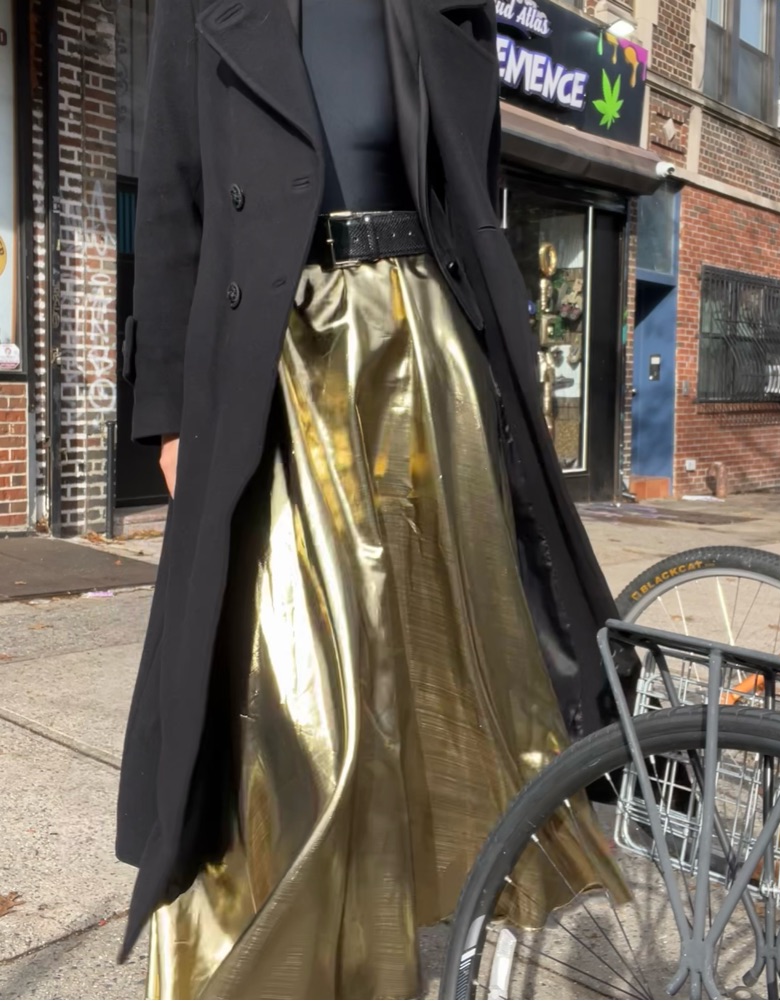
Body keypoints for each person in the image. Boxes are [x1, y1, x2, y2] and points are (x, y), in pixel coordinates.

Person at [116, 0, 629, 997]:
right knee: (299, 697)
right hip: (278, 359)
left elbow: (471, 192)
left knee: (429, 673)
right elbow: (174, 197)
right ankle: (268, 965)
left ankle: (382, 939)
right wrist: (171, 416)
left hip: (422, 353)